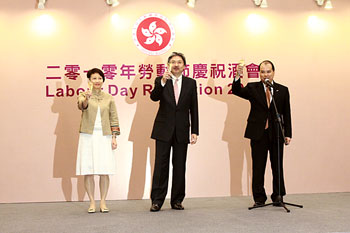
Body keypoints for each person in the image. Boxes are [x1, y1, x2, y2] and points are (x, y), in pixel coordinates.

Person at [232, 60, 292, 207]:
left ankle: (278, 195)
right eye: (263, 72)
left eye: (268, 71)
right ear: (259, 73)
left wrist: (288, 133)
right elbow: (237, 91)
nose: (265, 74)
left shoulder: (282, 90)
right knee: (258, 166)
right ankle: (259, 198)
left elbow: (287, 113)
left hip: (277, 132)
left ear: (273, 72)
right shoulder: (253, 88)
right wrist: (237, 77)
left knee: (277, 165)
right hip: (258, 133)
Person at [149, 52, 199, 212]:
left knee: (179, 166)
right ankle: (157, 201)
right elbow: (154, 98)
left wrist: (195, 130)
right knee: (160, 166)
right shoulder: (161, 80)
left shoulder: (191, 83)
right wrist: (162, 82)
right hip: (163, 130)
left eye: (179, 62)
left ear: (184, 66)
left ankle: (177, 200)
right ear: (168, 65)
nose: (176, 64)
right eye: (173, 62)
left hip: (182, 130)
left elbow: (194, 108)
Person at [76, 68, 120, 213]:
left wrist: (114, 137)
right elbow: (81, 105)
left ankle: (103, 201)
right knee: (88, 170)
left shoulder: (109, 97)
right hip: (88, 136)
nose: (97, 81)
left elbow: (113, 117)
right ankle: (92, 202)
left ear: (103, 80)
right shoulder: (83, 94)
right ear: (89, 80)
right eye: (94, 78)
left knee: (104, 170)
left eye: (99, 78)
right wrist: (86, 98)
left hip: (104, 136)